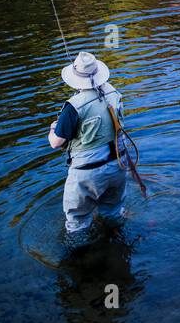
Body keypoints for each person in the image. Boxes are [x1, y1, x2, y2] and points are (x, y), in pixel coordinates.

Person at [50, 51, 127, 235]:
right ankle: (118, 248)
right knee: (113, 213)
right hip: (118, 165)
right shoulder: (114, 93)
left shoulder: (73, 106)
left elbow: (56, 143)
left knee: (77, 223)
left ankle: (78, 259)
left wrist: (53, 129)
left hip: (87, 174)